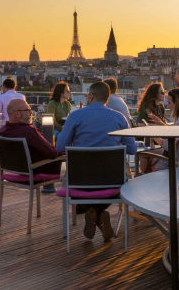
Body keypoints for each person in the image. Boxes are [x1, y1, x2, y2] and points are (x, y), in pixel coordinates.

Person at [56, 82, 137, 242]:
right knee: (116, 180)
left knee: (77, 178)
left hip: (79, 180)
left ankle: (94, 214)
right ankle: (98, 216)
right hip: (111, 181)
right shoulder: (119, 117)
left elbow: (60, 146)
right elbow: (132, 149)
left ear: (91, 96)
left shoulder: (75, 116)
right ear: (107, 98)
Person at [141, 88, 179, 173]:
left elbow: (169, 146)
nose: (168, 107)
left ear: (178, 104)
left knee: (144, 155)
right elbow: (176, 135)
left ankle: (144, 180)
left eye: (169, 103)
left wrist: (156, 138)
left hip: (175, 160)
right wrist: (161, 124)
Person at [0, 99, 61, 175]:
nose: (31, 112)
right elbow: (52, 153)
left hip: (17, 170)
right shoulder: (29, 131)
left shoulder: (2, 131)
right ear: (17, 114)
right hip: (37, 170)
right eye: (28, 110)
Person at [0, 78, 26, 158]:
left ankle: (0, 153)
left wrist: (3, 115)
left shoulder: (1, 97)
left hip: (7, 127)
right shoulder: (22, 96)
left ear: (4, 86)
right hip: (21, 127)